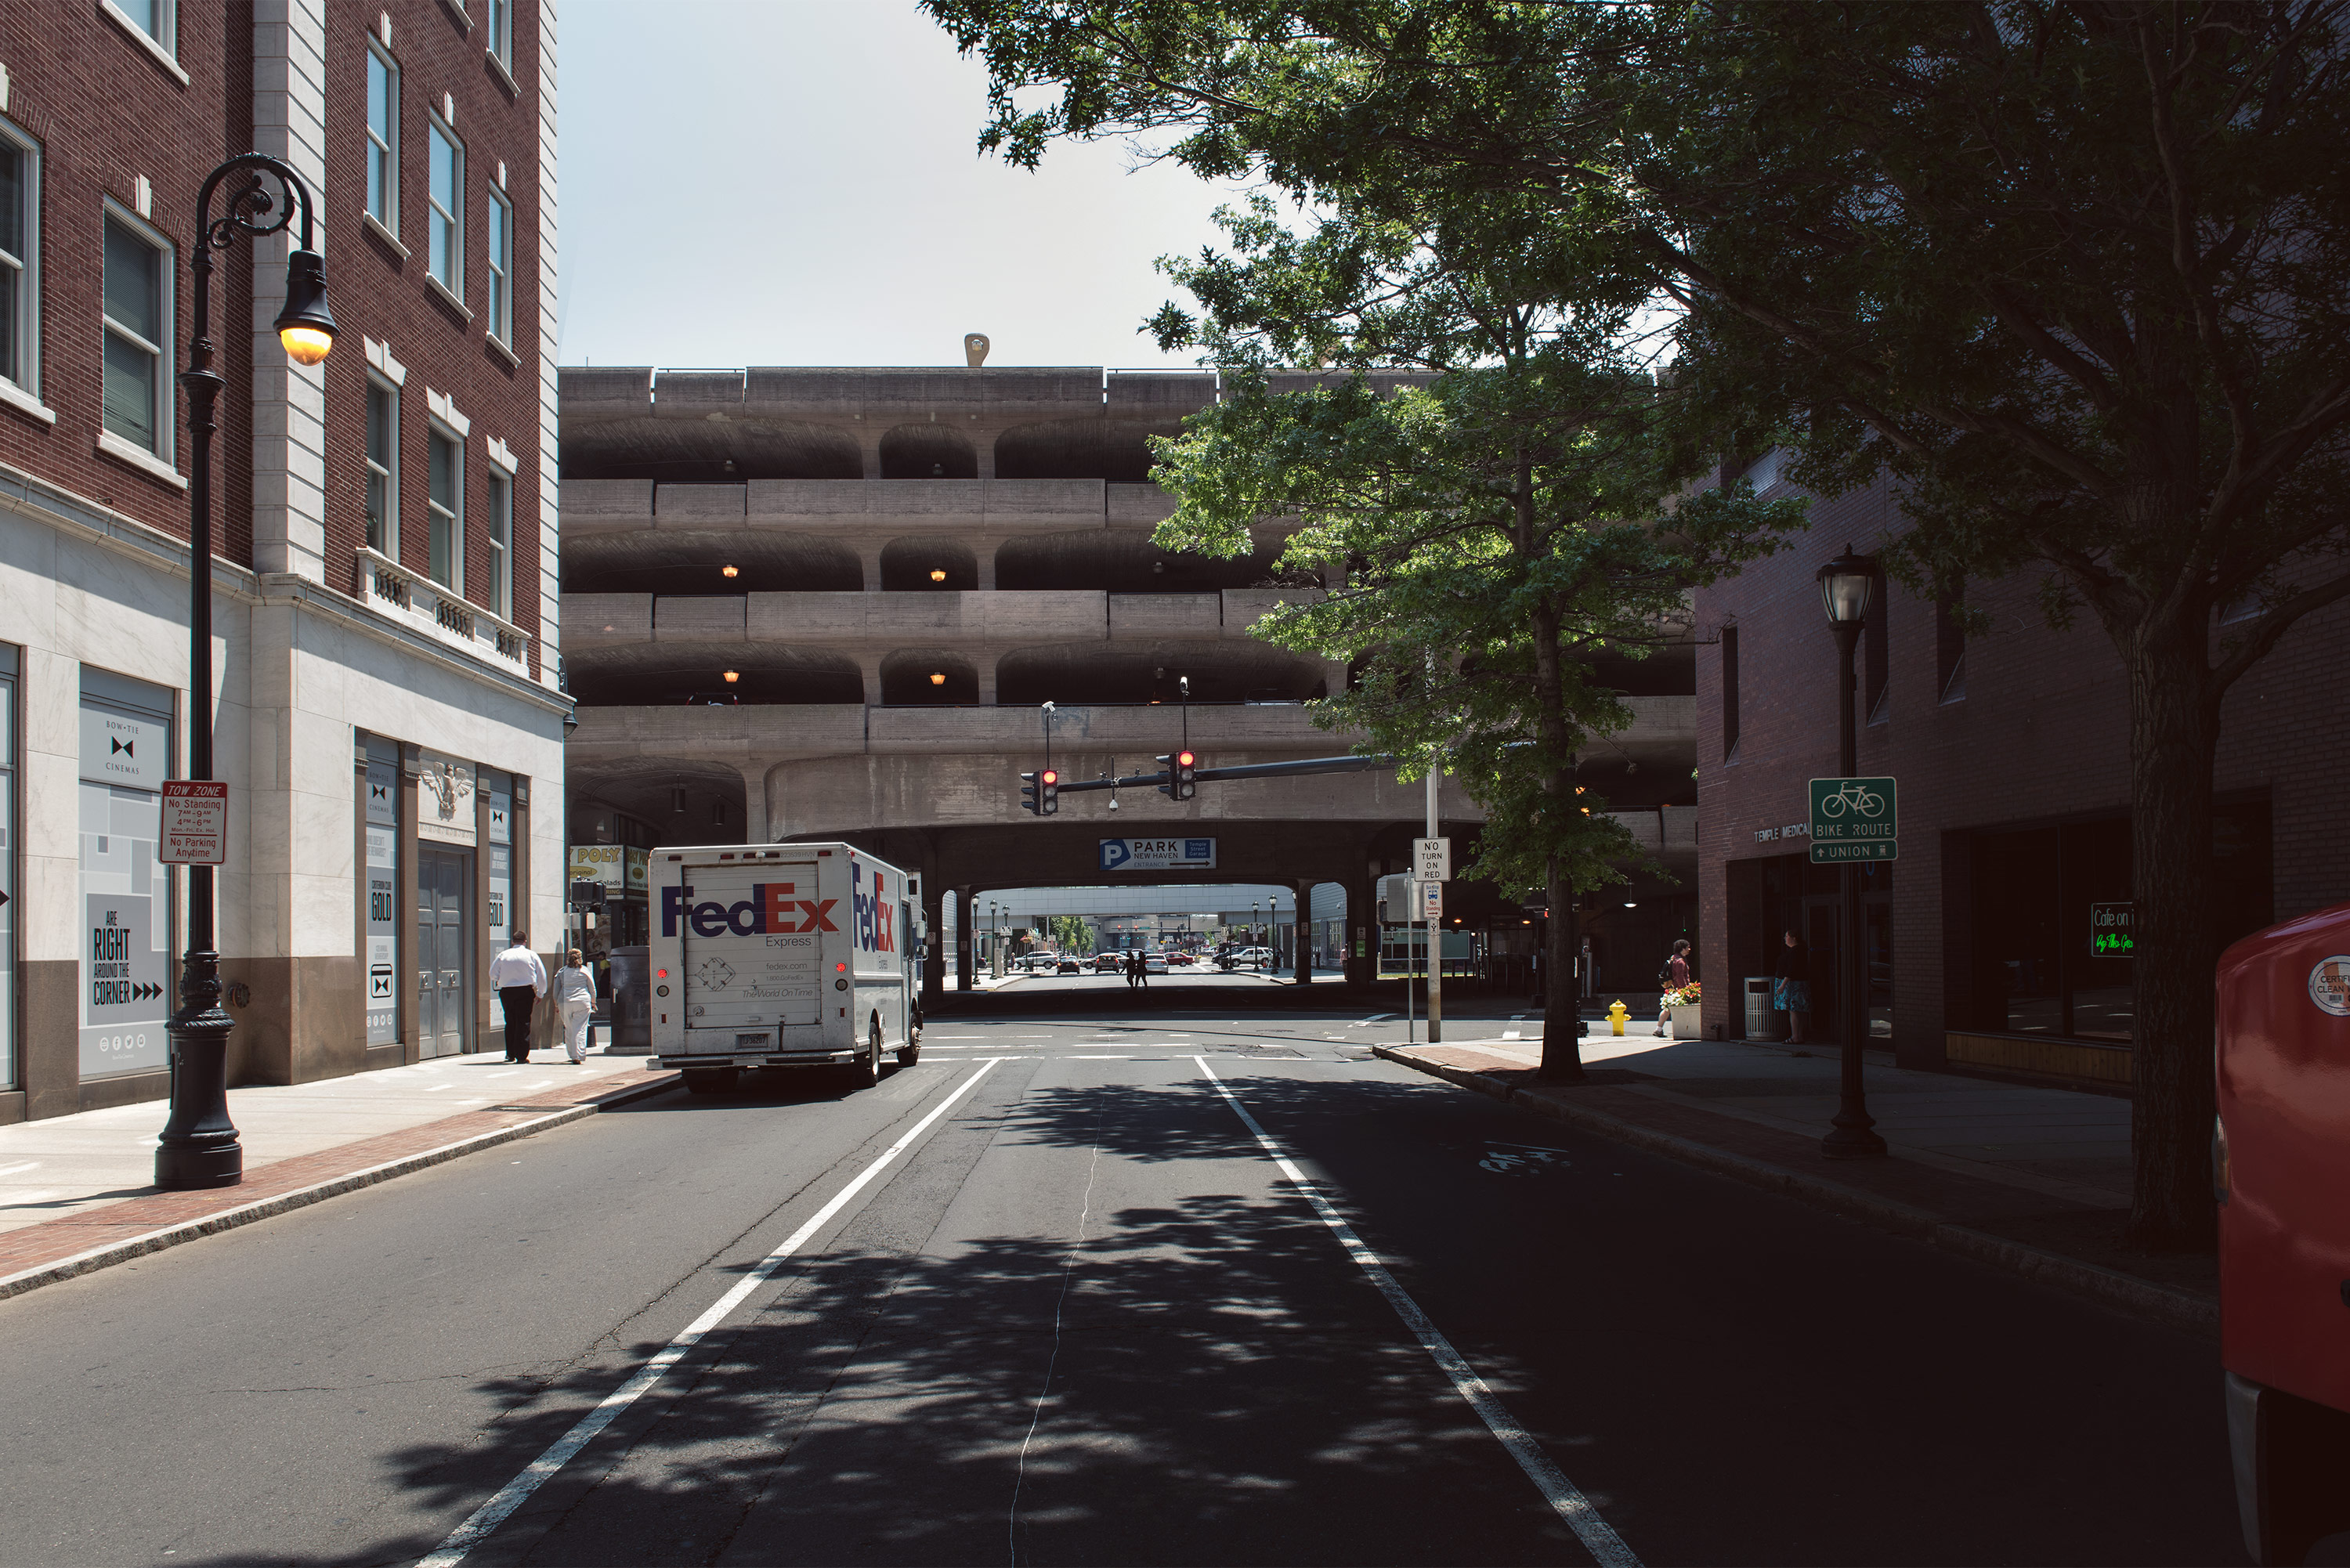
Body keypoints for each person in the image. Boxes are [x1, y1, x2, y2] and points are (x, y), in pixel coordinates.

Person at [489, 930, 548, 1063]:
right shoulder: (531, 955)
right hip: (525, 991)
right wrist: (540, 993)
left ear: (512, 941)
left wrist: (500, 978)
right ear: (525, 941)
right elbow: (541, 975)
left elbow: (492, 974)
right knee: (524, 1022)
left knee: (510, 1021)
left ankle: (510, 1054)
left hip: (507, 991)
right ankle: (521, 1055)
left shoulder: (504, 955)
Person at [554, 948, 598, 1064]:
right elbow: (592, 988)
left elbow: (556, 991)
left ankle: (572, 1054)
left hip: (565, 1002)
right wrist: (593, 1002)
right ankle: (579, 1054)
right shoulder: (585, 971)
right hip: (582, 1001)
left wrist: (556, 1005)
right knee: (580, 1029)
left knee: (569, 1029)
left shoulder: (562, 972)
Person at [1774, 929, 1813, 1045]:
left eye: (1786, 936)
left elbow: (1792, 969)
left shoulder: (1796, 951)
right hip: (1798, 983)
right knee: (1799, 1010)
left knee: (1794, 1011)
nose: (1785, 938)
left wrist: (1783, 985)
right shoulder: (1798, 951)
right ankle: (1799, 1036)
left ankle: (1795, 1036)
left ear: (1794, 938)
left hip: (1793, 985)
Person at [1655, 938, 1692, 1037]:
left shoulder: (1673, 958)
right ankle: (1684, 1030)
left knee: (1667, 1008)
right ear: (1683, 949)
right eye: (1688, 947)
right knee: (1677, 1009)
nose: (1689, 949)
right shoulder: (1680, 962)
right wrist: (1685, 989)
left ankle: (1659, 1029)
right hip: (1678, 989)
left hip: (1672, 988)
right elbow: (1680, 977)